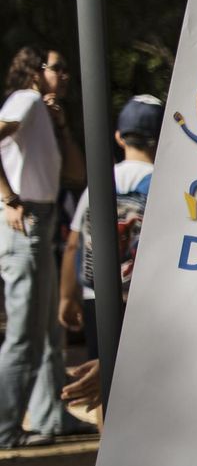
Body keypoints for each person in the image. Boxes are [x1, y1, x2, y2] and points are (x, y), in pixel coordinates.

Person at [0, 45, 84, 448]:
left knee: (50, 330)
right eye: (59, 67)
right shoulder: (27, 99)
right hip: (25, 220)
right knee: (24, 332)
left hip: (44, 219)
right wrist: (8, 199)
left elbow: (76, 173)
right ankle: (5, 427)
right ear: (37, 71)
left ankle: (53, 418)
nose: (65, 75)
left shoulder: (41, 111)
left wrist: (61, 125)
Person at [60, 95, 162, 366]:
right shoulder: (163, 185)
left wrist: (67, 297)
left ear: (119, 137)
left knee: (101, 377)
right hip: (146, 301)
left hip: (97, 297)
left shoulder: (99, 181)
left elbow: (73, 243)